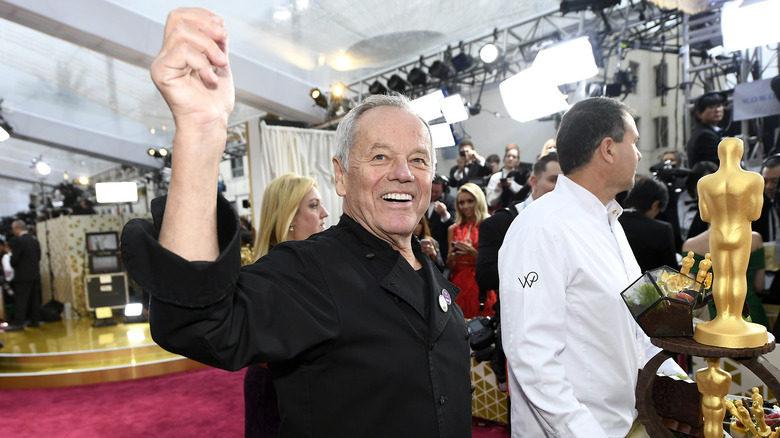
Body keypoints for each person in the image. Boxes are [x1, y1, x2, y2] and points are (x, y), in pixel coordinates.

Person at [120, 8, 470, 437]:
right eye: (379, 156)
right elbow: (200, 324)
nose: (403, 172)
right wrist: (201, 128)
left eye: (418, 160)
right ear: (341, 176)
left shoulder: (426, 267)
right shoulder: (312, 272)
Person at [498, 97, 684, 437]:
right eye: (635, 142)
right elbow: (534, 359)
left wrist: (682, 386)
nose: (640, 155)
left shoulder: (612, 222)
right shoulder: (540, 228)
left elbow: (640, 323)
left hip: (628, 420)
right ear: (609, 150)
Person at [244, 173, 329, 438]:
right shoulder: (267, 274)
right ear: (289, 216)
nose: (325, 213)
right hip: (280, 394)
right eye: (314, 206)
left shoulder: (319, 266)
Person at [474, 151, 561, 393]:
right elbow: (486, 276)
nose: (561, 188)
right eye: (554, 180)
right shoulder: (500, 223)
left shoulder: (575, 223)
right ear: (534, 182)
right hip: (521, 335)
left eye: (567, 182)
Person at [694, 137, 767, 347]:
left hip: (717, 232)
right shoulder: (754, 179)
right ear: (740, 153)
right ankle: (735, 319)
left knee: (721, 276)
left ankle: (721, 318)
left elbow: (705, 215)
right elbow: (755, 212)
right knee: (737, 276)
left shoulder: (705, 183)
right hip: (740, 230)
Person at [683, 228, 770, 331]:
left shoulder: (691, 244)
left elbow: (690, 293)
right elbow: (759, 285)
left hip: (712, 314)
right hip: (748, 309)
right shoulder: (755, 239)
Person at [447, 183, 496, 318]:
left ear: (479, 200)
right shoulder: (453, 229)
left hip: (480, 284)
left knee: (482, 326)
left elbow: (495, 263)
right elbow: (450, 265)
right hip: (458, 283)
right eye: (461, 202)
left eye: (470, 201)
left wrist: (473, 253)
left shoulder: (489, 225)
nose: (465, 206)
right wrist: (452, 256)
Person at [619, 176, 678, 272]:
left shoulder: (614, 220)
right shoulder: (662, 230)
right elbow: (670, 271)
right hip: (649, 285)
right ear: (655, 204)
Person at [6, 220, 42, 331]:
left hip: (22, 276)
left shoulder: (19, 241)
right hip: (35, 274)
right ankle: (35, 320)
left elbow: (14, 260)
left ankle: (18, 323)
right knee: (35, 299)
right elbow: (39, 256)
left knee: (21, 299)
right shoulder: (34, 240)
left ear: (17, 229)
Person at [687, 91, 726, 168]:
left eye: (719, 105)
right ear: (699, 114)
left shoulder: (704, 132)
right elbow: (718, 165)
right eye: (711, 106)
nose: (717, 110)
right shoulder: (705, 136)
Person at [426, 174, 456, 264]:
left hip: (442, 249)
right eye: (431, 191)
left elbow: (454, 226)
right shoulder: (421, 199)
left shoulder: (451, 201)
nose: (434, 194)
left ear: (443, 190)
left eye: (437, 192)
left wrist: (445, 214)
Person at [485, 146, 525, 211]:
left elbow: (524, 193)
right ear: (503, 160)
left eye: (514, 157)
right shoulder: (496, 177)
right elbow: (490, 202)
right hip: (498, 211)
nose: (510, 158)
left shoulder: (523, 176)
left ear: (518, 162)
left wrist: (511, 185)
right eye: (508, 156)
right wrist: (498, 188)